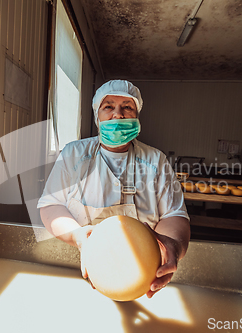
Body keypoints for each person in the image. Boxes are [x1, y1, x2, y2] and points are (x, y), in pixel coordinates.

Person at [37, 80, 190, 298]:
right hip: (81, 268)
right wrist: (77, 237)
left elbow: (174, 214)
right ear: (97, 115)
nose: (117, 114)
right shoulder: (73, 154)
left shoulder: (156, 160)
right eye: (108, 106)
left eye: (127, 107)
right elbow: (51, 206)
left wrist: (172, 246)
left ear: (137, 116)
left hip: (145, 273)